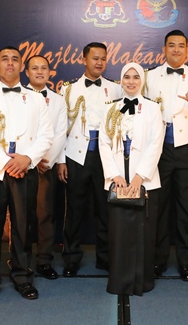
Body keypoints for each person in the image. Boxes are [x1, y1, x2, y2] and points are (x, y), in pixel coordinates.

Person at [0, 46, 53, 305]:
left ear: (21, 66)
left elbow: (46, 135)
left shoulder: (37, 99)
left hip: (25, 170)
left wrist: (27, 159)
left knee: (23, 226)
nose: (10, 63)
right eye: (4, 59)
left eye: (15, 59)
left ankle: (22, 276)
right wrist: (5, 162)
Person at [144, 29, 188, 281]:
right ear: (164, 49)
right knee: (158, 208)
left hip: (186, 150)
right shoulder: (150, 76)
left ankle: (185, 262)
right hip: (158, 150)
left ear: (187, 49)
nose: (176, 49)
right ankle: (158, 261)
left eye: (180, 45)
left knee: (186, 208)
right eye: (171, 45)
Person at [98, 62, 164, 296]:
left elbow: (156, 144)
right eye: (127, 77)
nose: (131, 81)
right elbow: (104, 143)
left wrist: (139, 176)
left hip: (144, 180)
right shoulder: (110, 108)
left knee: (143, 232)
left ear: (142, 80)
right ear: (121, 80)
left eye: (136, 77)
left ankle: (141, 282)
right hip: (118, 179)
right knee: (119, 232)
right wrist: (114, 174)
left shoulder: (153, 108)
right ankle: (119, 282)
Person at [57, 42, 121, 277]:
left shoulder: (116, 89)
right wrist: (61, 160)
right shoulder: (68, 90)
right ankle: (71, 258)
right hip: (76, 155)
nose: (99, 62)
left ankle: (105, 258)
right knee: (74, 209)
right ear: (84, 59)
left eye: (103, 58)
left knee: (105, 208)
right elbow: (60, 128)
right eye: (95, 58)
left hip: (105, 157)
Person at [25, 55, 67, 280]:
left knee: (45, 216)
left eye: (44, 68)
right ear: (27, 72)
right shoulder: (18, 96)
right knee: (22, 216)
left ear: (50, 73)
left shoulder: (58, 101)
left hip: (45, 166)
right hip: (22, 166)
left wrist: (47, 161)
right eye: (35, 68)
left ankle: (44, 261)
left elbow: (60, 134)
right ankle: (20, 261)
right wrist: (30, 159)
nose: (39, 72)